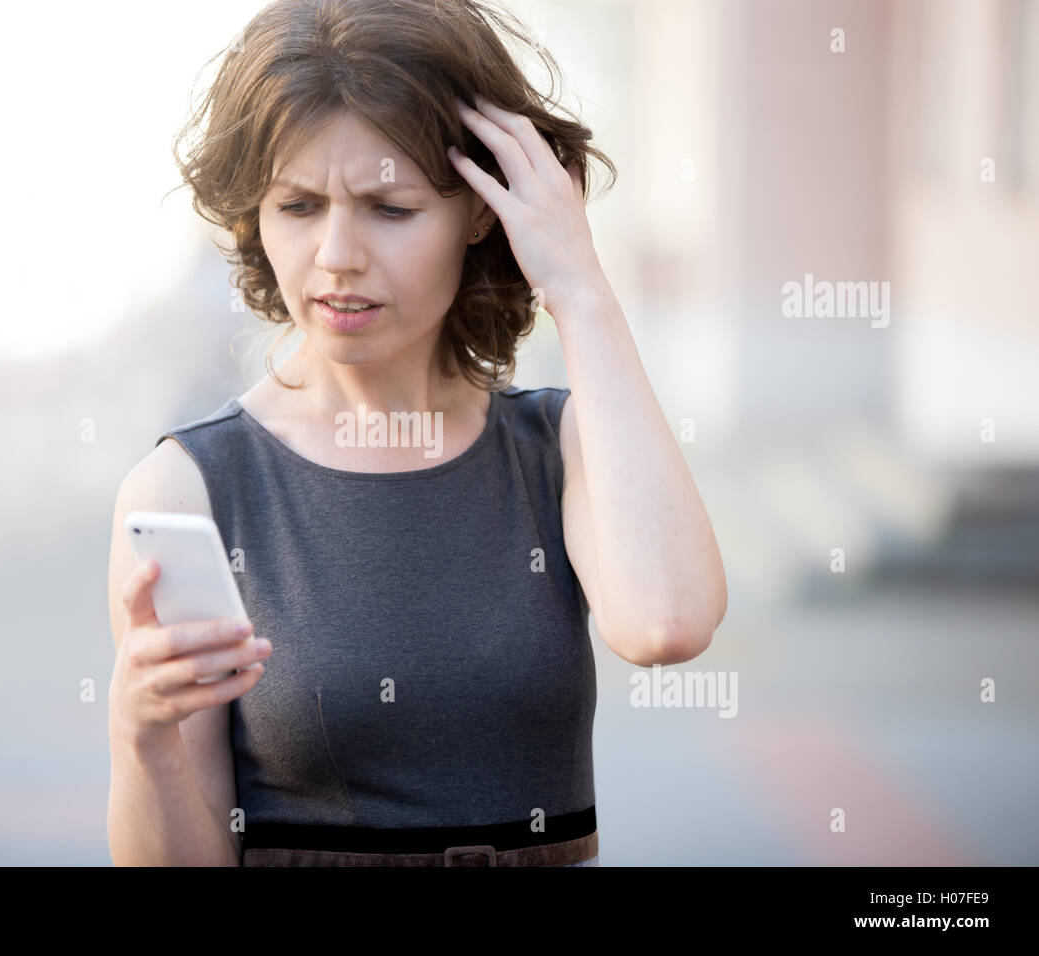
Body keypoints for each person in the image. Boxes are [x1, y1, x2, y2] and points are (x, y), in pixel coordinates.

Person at [107, 0, 727, 867]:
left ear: (482, 211)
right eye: (296, 205)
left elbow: (667, 622)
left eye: (388, 208)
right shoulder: (189, 489)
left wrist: (580, 285)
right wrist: (142, 737)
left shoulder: (559, 450)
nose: (335, 256)